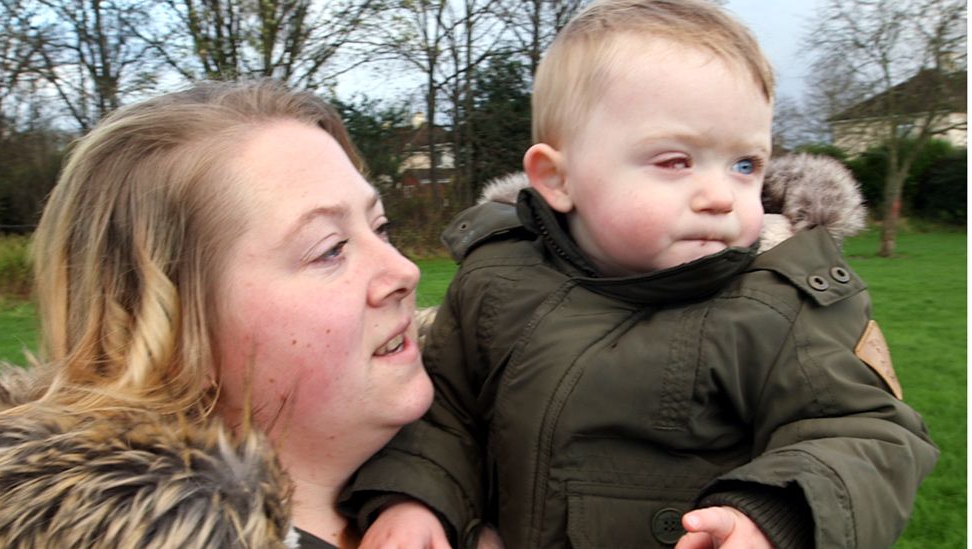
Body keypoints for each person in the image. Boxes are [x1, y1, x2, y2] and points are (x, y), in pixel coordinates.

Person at [339, 1, 939, 547]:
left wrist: (773, 515)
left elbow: (869, 435)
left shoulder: (777, 302)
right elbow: (444, 412)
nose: (719, 196)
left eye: (744, 163)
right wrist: (415, 498)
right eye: (675, 161)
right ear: (557, 179)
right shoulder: (496, 280)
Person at [0, 79, 434, 548]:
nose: (404, 270)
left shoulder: (494, 444)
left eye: (380, 227)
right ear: (172, 332)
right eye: (330, 250)